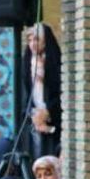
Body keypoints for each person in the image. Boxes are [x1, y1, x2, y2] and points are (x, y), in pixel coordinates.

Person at [21, 23, 62, 158]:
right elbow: (25, 94)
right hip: (34, 119)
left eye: (37, 39)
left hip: (54, 119)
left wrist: (48, 111)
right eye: (30, 40)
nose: (32, 44)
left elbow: (60, 92)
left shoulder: (55, 62)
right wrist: (34, 115)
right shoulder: (27, 62)